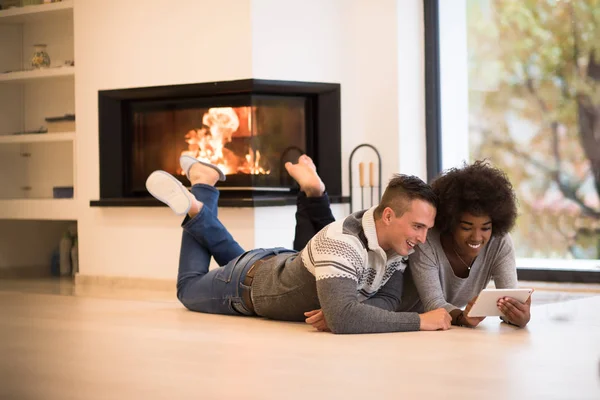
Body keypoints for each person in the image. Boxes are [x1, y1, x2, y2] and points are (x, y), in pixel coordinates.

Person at [145, 154, 451, 334]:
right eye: (418, 226)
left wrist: (346, 310)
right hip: (246, 287)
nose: (423, 239)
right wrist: (421, 321)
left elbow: (387, 301)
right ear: (388, 215)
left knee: (242, 263)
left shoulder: (397, 245)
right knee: (187, 288)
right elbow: (344, 319)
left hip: (274, 268)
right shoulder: (344, 242)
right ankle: (198, 200)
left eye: (427, 229)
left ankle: (205, 183)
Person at [408, 160, 532, 328]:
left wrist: (517, 315)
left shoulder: (499, 242)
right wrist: (462, 318)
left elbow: (509, 296)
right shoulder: (426, 240)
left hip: (442, 331)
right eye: (466, 227)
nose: (476, 237)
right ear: (450, 222)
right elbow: (433, 303)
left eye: (485, 228)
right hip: (405, 323)